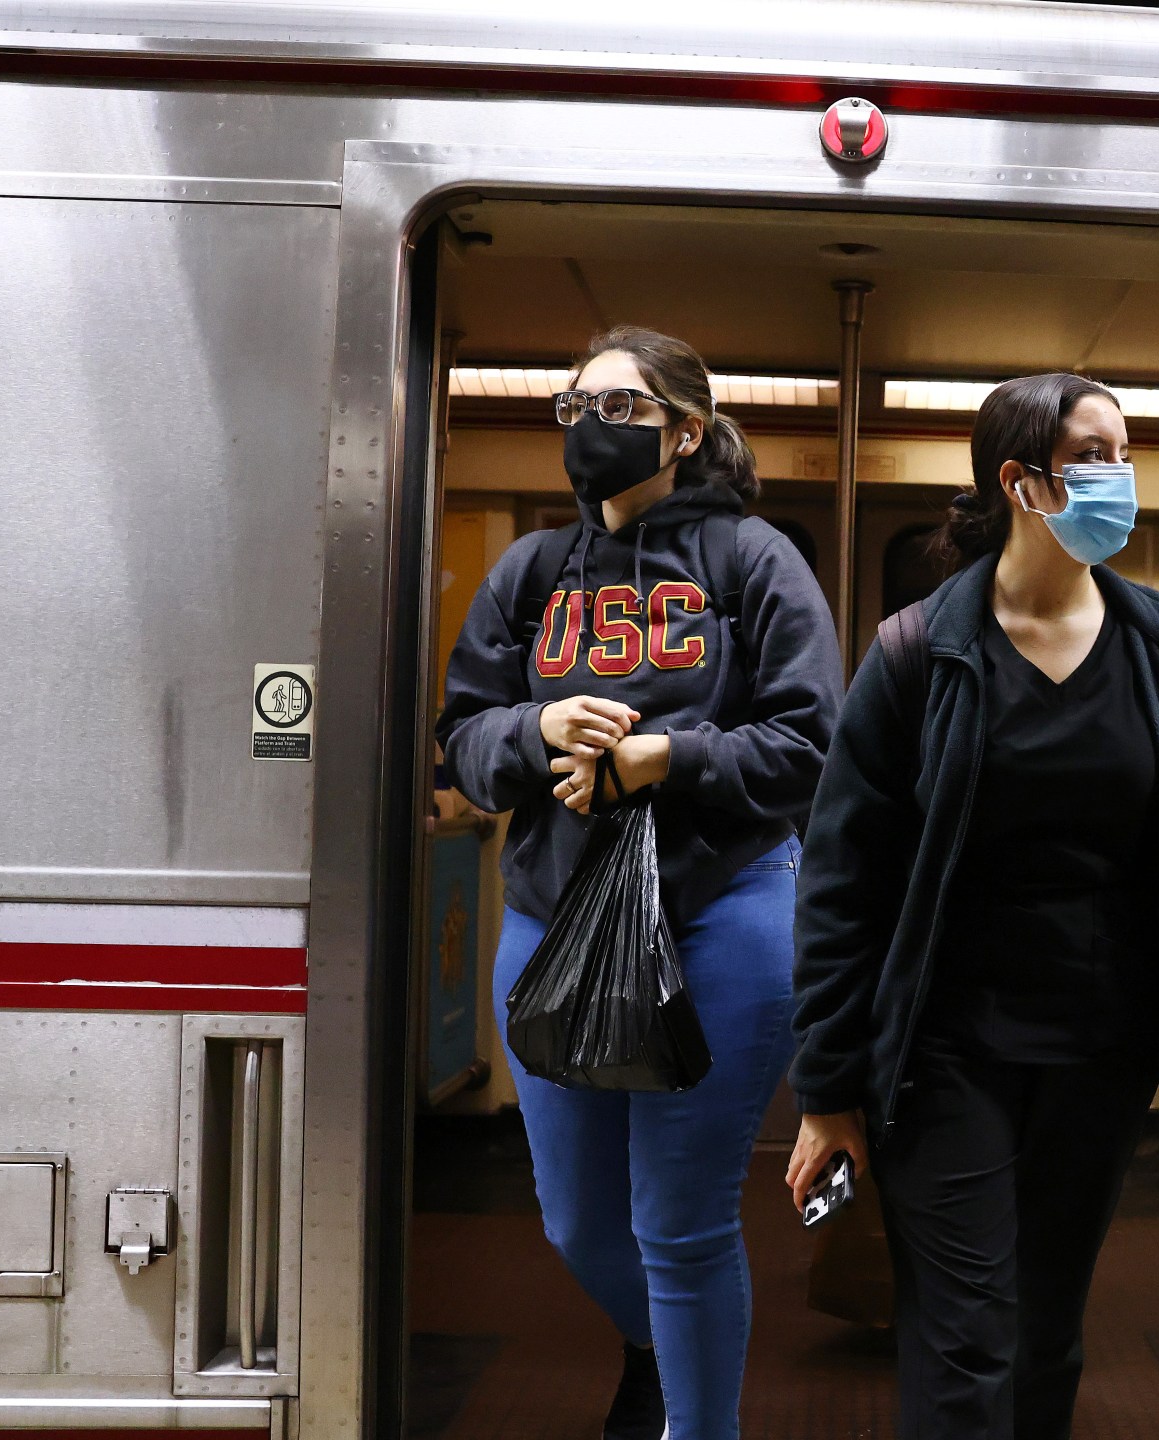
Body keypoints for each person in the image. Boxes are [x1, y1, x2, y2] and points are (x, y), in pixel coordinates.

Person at [786, 373, 1159, 1440]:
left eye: (1124, 454)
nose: (1116, 478)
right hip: (947, 1053)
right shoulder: (917, 656)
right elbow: (842, 883)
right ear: (1020, 481)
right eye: (1092, 455)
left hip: (1102, 1052)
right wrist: (827, 1087)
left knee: (1047, 1332)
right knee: (964, 1334)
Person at [436, 325, 842, 1440]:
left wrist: (670, 757)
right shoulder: (529, 570)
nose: (589, 431)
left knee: (682, 1226)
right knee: (578, 1226)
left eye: (618, 411)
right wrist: (535, 727)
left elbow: (816, 744)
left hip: (723, 909)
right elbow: (460, 737)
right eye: (575, 409)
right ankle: (671, 1345)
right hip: (554, 914)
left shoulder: (753, 561)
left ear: (684, 431)